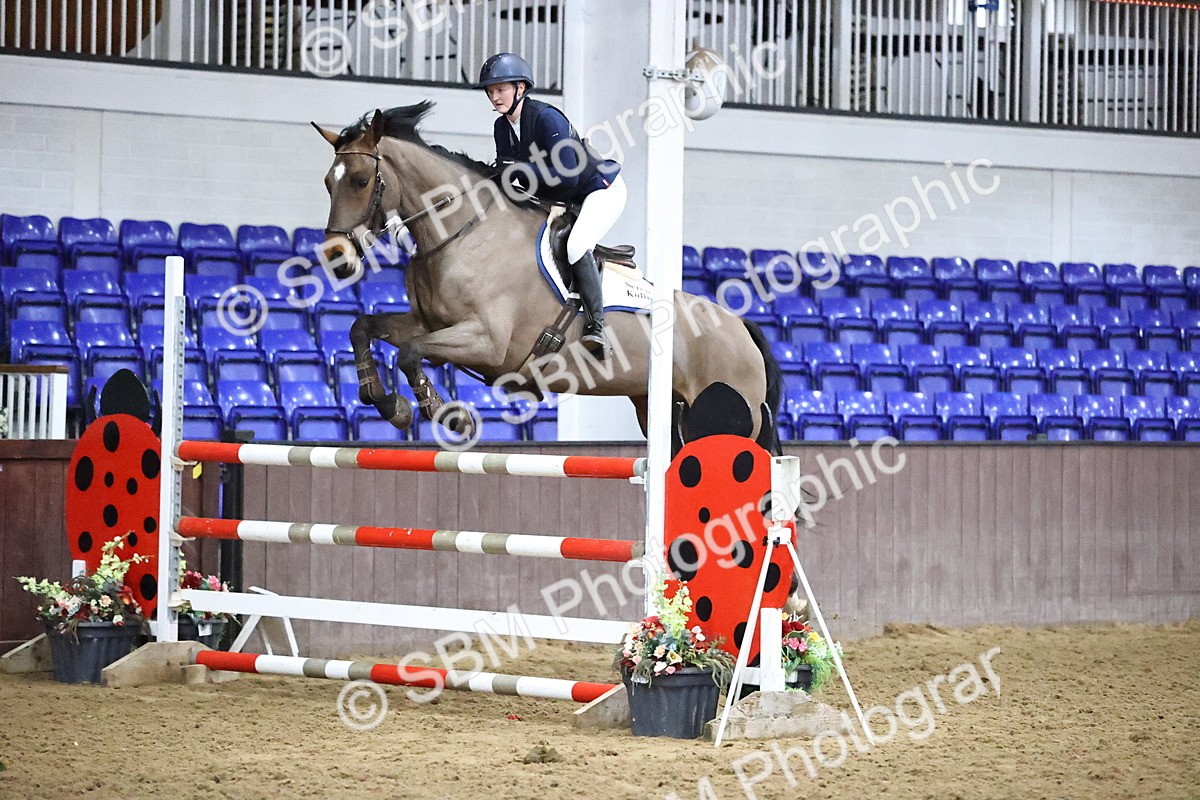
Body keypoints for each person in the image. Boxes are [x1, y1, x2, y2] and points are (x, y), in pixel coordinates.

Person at [475, 52, 625, 358]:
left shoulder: (546, 118)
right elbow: (508, 176)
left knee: (576, 244)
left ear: (520, 88)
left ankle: (597, 327)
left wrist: (519, 170)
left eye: (500, 89)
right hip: (561, 198)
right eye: (490, 91)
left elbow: (568, 176)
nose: (495, 96)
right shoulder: (501, 127)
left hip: (599, 190)